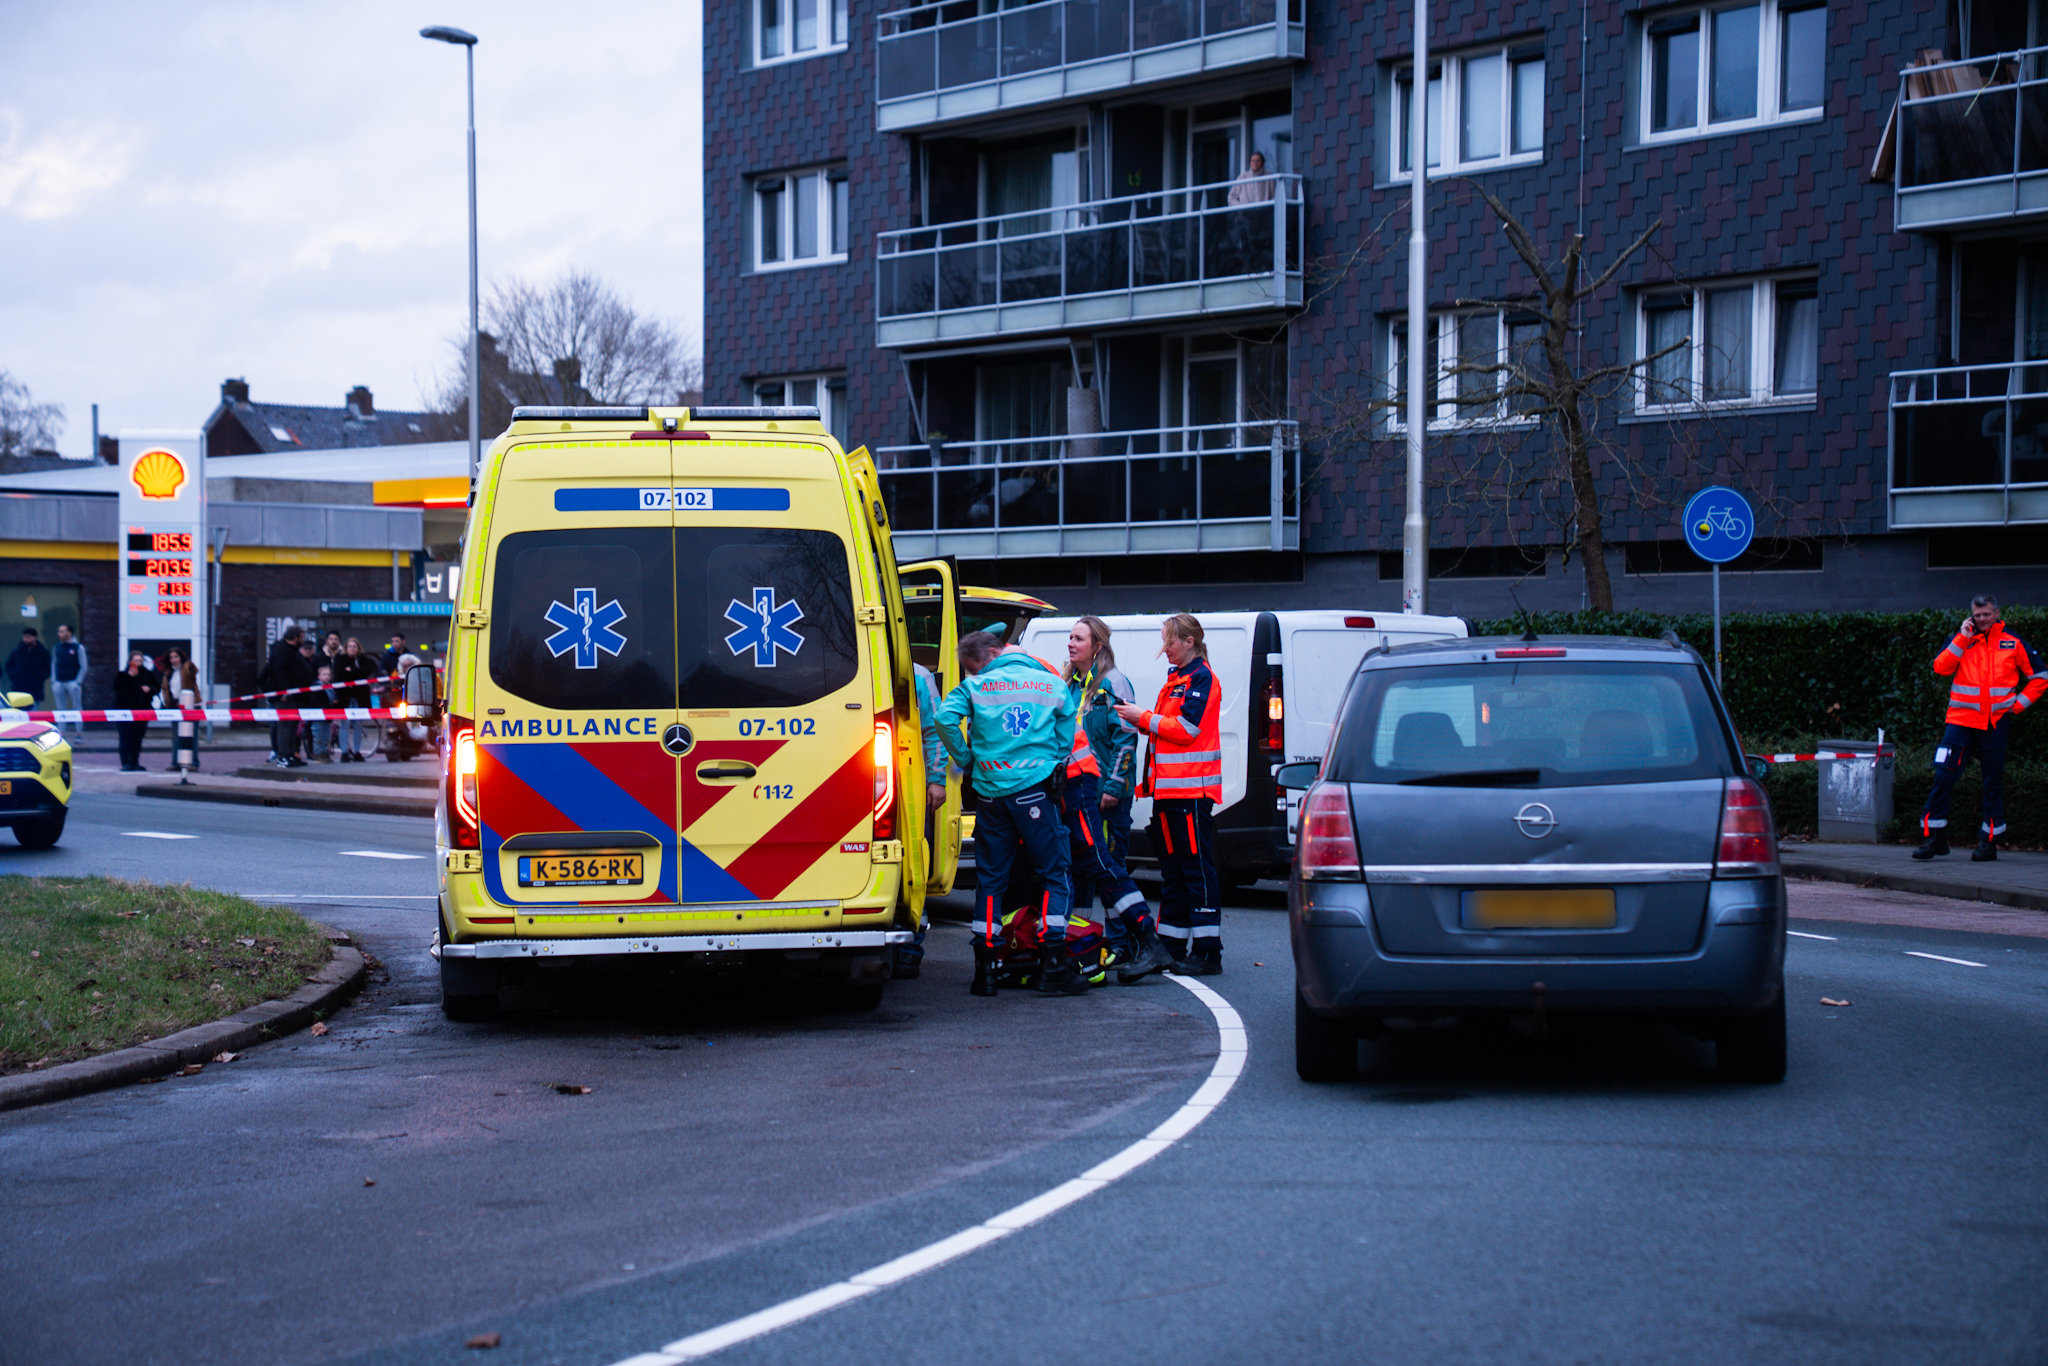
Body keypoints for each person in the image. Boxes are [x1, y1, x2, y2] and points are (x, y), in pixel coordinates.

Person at [937, 631, 1084, 997]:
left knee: (990, 882)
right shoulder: (1052, 683)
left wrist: (967, 759)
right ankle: (1053, 966)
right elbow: (1066, 737)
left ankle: (985, 971)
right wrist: (1050, 761)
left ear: (992, 655)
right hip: (1035, 790)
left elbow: (943, 718)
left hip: (989, 793)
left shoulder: (976, 686)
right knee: (1053, 874)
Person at [1063, 617, 1172, 983]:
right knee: (1083, 870)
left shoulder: (1113, 682)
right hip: (1080, 792)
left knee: (1108, 866)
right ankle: (1082, 941)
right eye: (1070, 637)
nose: (1071, 643)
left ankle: (1123, 942)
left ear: (1097, 646)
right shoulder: (1071, 684)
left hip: (1107, 794)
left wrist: (1113, 784)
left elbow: (1126, 737)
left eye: (1079, 638)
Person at [1116, 612, 1225, 975]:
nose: (1164, 649)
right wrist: (1142, 720)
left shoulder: (1201, 678)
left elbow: (1187, 729)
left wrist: (1143, 718)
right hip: (1170, 793)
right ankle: (1172, 946)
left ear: (1189, 642)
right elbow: (1170, 732)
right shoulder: (1178, 679)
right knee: (1175, 872)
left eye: (1170, 641)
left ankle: (1208, 952)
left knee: (1196, 870)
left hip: (1191, 792)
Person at [1913, 594, 2047, 862]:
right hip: (1960, 723)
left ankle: (1988, 843)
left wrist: (2017, 705)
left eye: (1987, 614)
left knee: (1992, 781)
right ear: (1971, 616)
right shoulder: (1961, 638)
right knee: (1943, 776)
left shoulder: (2013, 641)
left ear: (1997, 613)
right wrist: (1962, 638)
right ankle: (1935, 838)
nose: (1982, 619)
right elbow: (1940, 668)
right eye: (1977, 615)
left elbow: (2041, 677)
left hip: (1995, 723)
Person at [893, 660, 953, 980]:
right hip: (866, 786)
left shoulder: (918, 675)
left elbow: (935, 730)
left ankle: (910, 947)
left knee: (914, 866)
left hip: (910, 788)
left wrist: (936, 780)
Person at [260, 625, 314, 768]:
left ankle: (290, 754)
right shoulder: (282, 650)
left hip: (295, 695)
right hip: (285, 696)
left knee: (292, 726)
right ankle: (282, 757)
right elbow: (279, 671)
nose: (303, 640)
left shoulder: (290, 650)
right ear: (295, 637)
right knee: (285, 726)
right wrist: (286, 691)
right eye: (301, 637)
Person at [156, 647, 200, 771]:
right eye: (171, 657)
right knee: (176, 736)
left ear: (181, 657)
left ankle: (193, 763)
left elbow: (194, 671)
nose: (173, 659)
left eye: (176, 656)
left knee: (192, 735)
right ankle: (176, 762)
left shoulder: (186, 668)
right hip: (175, 705)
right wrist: (166, 702)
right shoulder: (168, 673)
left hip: (190, 703)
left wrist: (188, 664)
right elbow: (166, 689)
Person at [112, 650, 157, 773]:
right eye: (135, 661)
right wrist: (129, 676)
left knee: (137, 738)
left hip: (141, 711)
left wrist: (150, 689)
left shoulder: (147, 674)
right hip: (124, 711)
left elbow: (157, 688)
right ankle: (125, 762)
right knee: (125, 737)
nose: (138, 663)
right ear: (130, 662)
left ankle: (135, 762)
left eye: (140, 661)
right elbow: (117, 687)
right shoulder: (122, 674)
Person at [332, 637, 374, 762]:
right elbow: (339, 674)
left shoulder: (363, 660)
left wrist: (351, 671)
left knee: (358, 725)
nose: (352, 648)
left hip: (359, 696)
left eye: (354, 646)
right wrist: (355, 673)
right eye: (349, 646)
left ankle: (356, 751)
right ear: (346, 648)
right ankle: (344, 752)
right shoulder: (340, 659)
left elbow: (365, 672)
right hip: (345, 696)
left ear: (358, 648)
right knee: (344, 724)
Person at [48, 624, 85, 738]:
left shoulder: (78, 647)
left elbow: (83, 666)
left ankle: (78, 732)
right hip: (59, 682)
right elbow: (54, 663)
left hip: (72, 682)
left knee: (76, 707)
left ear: (69, 633)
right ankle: (61, 732)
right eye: (59, 631)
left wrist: (78, 682)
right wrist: (54, 680)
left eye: (62, 631)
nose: (59, 634)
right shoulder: (56, 647)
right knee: (60, 708)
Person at [5, 626, 51, 705]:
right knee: (18, 709)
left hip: (35, 687)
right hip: (18, 686)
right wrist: (14, 676)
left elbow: (48, 668)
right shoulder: (16, 650)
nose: (26, 639)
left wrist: (39, 676)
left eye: (28, 637)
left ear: (34, 637)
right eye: (24, 637)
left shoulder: (42, 652)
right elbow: (9, 665)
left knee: (33, 709)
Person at [309, 664, 338, 762]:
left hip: (328, 717)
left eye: (328, 675)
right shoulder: (316, 687)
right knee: (318, 735)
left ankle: (325, 753)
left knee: (326, 736)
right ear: (319, 676)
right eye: (324, 674)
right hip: (318, 716)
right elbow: (314, 701)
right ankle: (318, 754)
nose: (327, 677)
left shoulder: (331, 689)